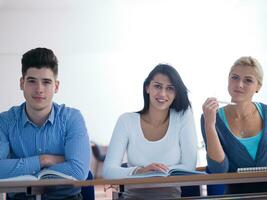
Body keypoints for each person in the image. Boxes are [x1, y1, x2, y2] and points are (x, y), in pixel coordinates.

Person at [0, 47, 90, 200]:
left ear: (56, 86)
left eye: (46, 82)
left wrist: (18, 168)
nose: (39, 89)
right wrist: (43, 160)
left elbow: (78, 171)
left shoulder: (72, 118)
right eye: (32, 81)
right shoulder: (5, 121)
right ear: (22, 83)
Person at [103, 64, 198, 199]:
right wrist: (140, 171)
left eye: (170, 88)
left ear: (176, 93)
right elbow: (108, 171)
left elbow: (189, 166)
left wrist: (156, 172)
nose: (162, 94)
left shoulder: (183, 117)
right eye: (157, 86)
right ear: (147, 87)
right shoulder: (126, 121)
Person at [201, 56, 267, 194]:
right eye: (234, 77)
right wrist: (210, 125)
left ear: (258, 87)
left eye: (248, 80)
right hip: (236, 196)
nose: (239, 84)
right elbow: (218, 170)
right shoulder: (211, 117)